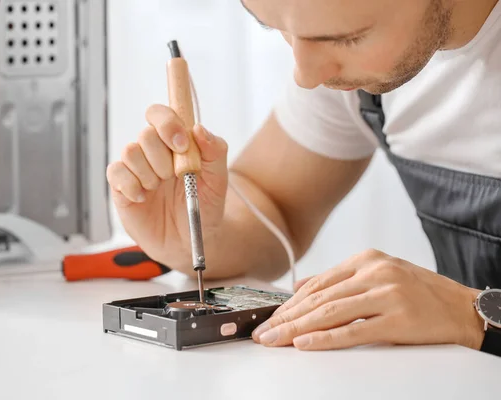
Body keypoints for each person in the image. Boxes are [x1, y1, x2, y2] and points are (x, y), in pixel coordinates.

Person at [106, 0, 501, 355]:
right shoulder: (346, 56)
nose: (306, 76)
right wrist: (197, 233)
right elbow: (275, 206)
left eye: (347, 39)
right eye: (271, 25)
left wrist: (470, 314)